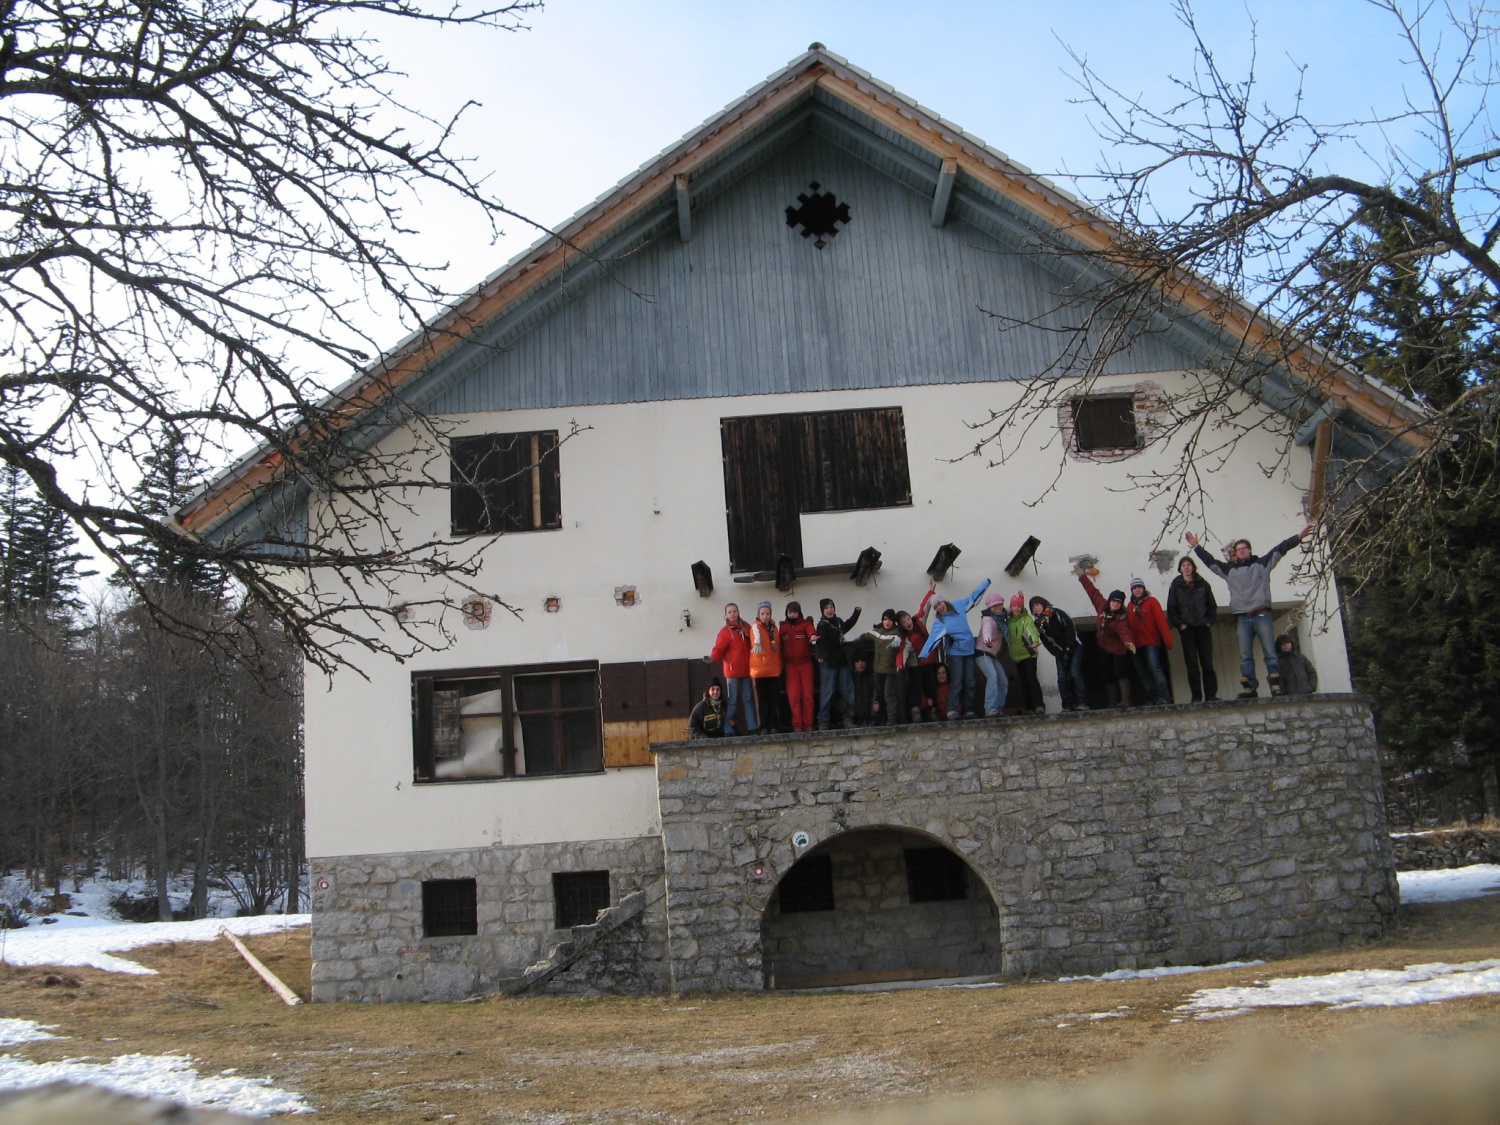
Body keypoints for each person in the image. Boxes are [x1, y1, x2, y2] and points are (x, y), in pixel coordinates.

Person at [1186, 524, 1315, 697]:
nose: (1241, 551)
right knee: (1245, 655)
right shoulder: (1229, 570)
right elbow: (1211, 563)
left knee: (1270, 652)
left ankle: (1276, 687)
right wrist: (1196, 547)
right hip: (1242, 618)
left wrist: (1298, 537)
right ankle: (1250, 688)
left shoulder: (1262, 564)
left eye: (1244, 548)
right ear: (1235, 553)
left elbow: (1281, 549)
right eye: (1238, 549)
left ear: (1249, 550)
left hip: (1261, 614)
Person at [917, 576, 992, 718]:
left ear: (944, 600)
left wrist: (985, 584)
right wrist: (923, 654)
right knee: (957, 682)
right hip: (955, 654)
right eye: (936, 607)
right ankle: (952, 710)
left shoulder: (959, 606)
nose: (939, 607)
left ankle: (969, 709)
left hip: (969, 650)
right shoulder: (941, 622)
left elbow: (973, 599)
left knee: (970, 681)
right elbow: (933, 639)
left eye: (940, 603)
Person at [1077, 567, 1138, 707]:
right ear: (1110, 600)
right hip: (1103, 646)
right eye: (1114, 601)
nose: (1115, 603)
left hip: (1118, 648)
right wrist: (1082, 577)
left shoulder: (1121, 618)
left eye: (1118, 602)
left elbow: (1124, 631)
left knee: (1119, 672)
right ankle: (1112, 702)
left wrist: (1129, 642)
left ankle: (1125, 699)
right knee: (1106, 674)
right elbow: (1092, 591)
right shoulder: (1101, 605)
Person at [1167, 556, 1219, 702]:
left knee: (1207, 663)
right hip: (1187, 629)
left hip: (1203, 628)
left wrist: (1210, 621)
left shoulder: (1203, 584)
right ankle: (1196, 696)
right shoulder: (1176, 586)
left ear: (1193, 567)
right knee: (1192, 665)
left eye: (1189, 564)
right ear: (1180, 568)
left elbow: (1211, 605)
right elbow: (1171, 608)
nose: (1186, 567)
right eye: (1183, 565)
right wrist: (1180, 624)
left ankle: (1211, 695)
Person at [1031, 595, 1089, 711]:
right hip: (1060, 650)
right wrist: (1059, 653)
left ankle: (1083, 702)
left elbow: (1070, 629)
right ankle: (1067, 705)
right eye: (1033, 606)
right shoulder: (1038, 624)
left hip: (1075, 645)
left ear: (1043, 604)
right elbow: (1047, 642)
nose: (1035, 608)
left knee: (1074, 672)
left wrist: (1069, 649)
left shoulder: (1057, 613)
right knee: (1062, 676)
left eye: (1037, 605)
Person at [707, 603, 756, 734]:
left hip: (747, 670)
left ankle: (752, 727)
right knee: (733, 700)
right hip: (732, 672)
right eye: (730, 612)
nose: (732, 614)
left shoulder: (746, 628)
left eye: (734, 611)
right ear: (726, 615)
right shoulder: (725, 632)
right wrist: (712, 658)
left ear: (738, 612)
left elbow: (755, 642)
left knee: (748, 699)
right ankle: (728, 729)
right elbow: (718, 649)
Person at [815, 598, 861, 729]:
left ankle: (848, 719)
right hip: (828, 663)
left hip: (842, 661)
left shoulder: (839, 622)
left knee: (848, 690)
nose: (829, 610)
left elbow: (848, 625)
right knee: (827, 692)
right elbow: (820, 642)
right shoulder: (822, 625)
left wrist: (856, 614)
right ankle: (823, 721)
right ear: (823, 611)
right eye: (826, 608)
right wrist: (820, 656)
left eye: (831, 607)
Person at [1126, 578, 1174, 704]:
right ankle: (1152, 698)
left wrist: (1168, 641)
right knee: (1142, 673)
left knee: (1154, 668)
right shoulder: (1129, 606)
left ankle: (1164, 696)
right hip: (1136, 645)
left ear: (1143, 588)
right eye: (1134, 588)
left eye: (1139, 587)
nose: (1137, 590)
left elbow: (1161, 622)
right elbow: (1126, 628)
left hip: (1151, 642)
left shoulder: (1152, 602)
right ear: (1132, 590)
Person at [778, 601, 817, 732]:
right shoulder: (783, 628)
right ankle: (797, 726)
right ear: (786, 613)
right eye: (790, 612)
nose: (793, 614)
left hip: (805, 664)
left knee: (808, 696)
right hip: (790, 666)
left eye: (795, 612)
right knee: (794, 697)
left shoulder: (806, 624)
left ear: (799, 613)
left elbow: (811, 631)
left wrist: (812, 636)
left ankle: (808, 725)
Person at [901, 591, 939, 721]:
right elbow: (904, 652)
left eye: (907, 618)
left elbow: (925, 606)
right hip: (915, 665)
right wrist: (902, 664)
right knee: (916, 689)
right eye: (904, 622)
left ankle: (931, 711)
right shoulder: (905, 638)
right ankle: (915, 711)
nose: (907, 622)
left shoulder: (919, 621)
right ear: (902, 626)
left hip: (929, 661)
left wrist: (930, 592)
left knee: (930, 687)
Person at [865, 609, 906, 725]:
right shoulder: (877, 631)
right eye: (885, 619)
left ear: (893, 622)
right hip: (877, 669)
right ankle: (875, 719)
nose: (887, 622)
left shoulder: (896, 633)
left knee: (888, 695)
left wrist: (895, 645)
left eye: (889, 620)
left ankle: (892, 719)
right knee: (877, 696)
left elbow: (897, 642)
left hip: (890, 670)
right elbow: (864, 637)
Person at [748, 601, 783, 733]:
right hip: (760, 670)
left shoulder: (774, 628)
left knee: (773, 700)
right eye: (762, 613)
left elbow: (777, 648)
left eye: (767, 613)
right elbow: (755, 640)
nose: (765, 616)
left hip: (773, 669)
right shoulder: (755, 628)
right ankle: (764, 726)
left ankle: (774, 725)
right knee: (762, 701)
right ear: (758, 614)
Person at [1007, 593, 1045, 713]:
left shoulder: (1026, 619)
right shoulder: (1008, 621)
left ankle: (1039, 705)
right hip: (1017, 656)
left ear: (1022, 607)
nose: (1016, 608)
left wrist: (1034, 641)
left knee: (1031, 678)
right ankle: (1029, 707)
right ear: (1011, 607)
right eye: (1014, 606)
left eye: (1019, 606)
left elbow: (1032, 630)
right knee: (1024, 681)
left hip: (1029, 654)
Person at [974, 592, 1011, 718]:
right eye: (994, 606)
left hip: (992, 654)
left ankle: (999, 709)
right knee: (993, 677)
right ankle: (990, 709)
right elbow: (987, 631)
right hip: (982, 652)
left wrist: (1019, 601)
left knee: (1003, 681)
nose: (997, 608)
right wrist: (987, 641)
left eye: (999, 605)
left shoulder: (1003, 614)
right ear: (989, 608)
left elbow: (1012, 609)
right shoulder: (988, 619)